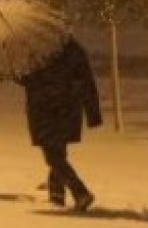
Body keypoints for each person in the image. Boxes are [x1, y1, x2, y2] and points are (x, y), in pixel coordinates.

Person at [17, 36, 101, 211]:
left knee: (53, 156)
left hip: (45, 109)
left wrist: (17, 73)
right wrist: (93, 113)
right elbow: (87, 80)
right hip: (68, 109)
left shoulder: (39, 50)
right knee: (58, 151)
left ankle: (80, 192)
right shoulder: (73, 49)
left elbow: (27, 79)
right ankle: (56, 195)